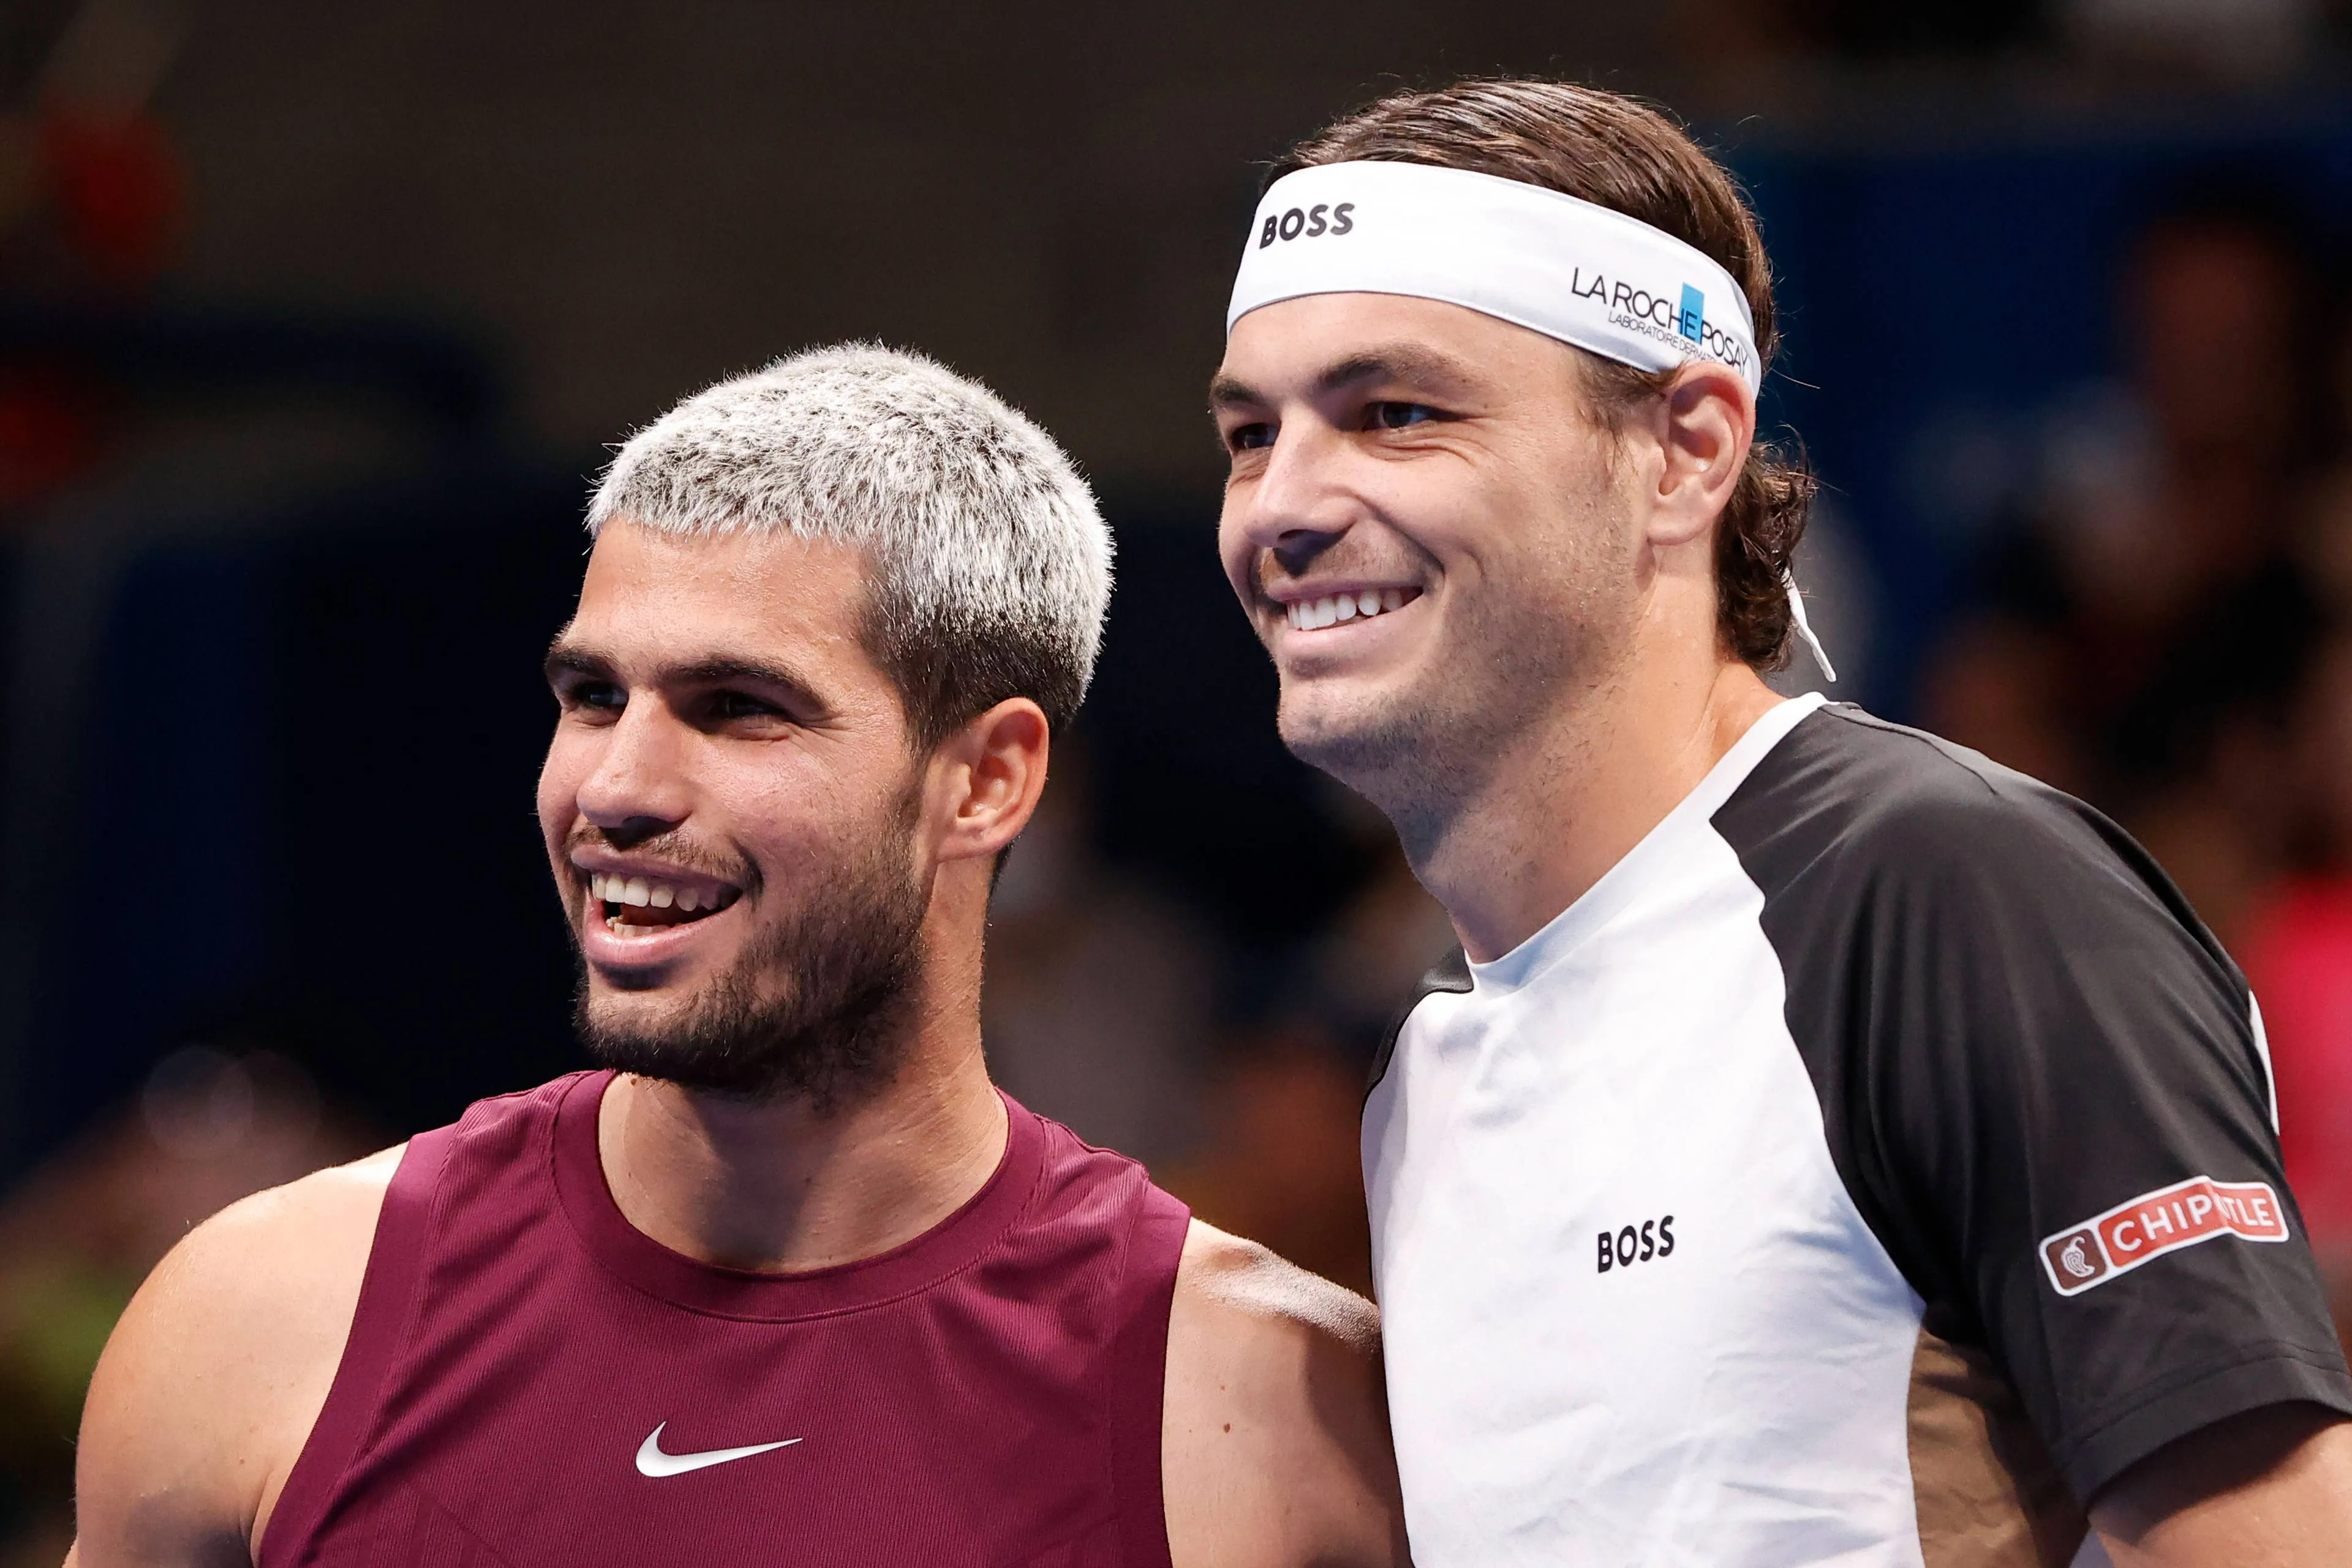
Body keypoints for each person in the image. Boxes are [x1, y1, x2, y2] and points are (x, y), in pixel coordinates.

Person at [1208, 80, 2352, 1566]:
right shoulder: (1422, 1068)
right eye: (1250, 433)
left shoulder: (1954, 898)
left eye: (1396, 414)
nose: (1281, 506)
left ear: (1686, 449)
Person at [69, 346, 1408, 1567]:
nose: (616, 787)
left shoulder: (1265, 1418)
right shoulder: (269, 1322)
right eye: (594, 696)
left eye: (737, 708)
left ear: (987, 779)